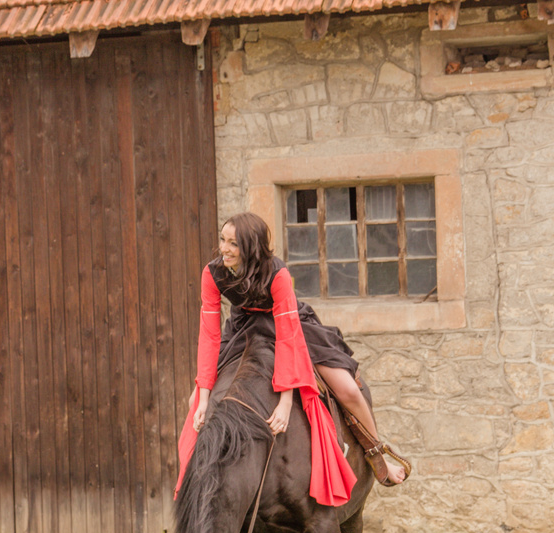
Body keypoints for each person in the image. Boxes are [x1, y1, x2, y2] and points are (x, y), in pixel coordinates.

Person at [175, 212, 408, 505]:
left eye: (233, 243)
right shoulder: (213, 273)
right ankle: (201, 482)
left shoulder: (277, 274)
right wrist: (206, 395)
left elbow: (288, 337)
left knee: (347, 388)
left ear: (251, 246)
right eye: (223, 240)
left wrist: (285, 402)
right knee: (193, 400)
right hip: (243, 329)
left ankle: (377, 455)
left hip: (291, 326)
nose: (224, 248)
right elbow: (208, 334)